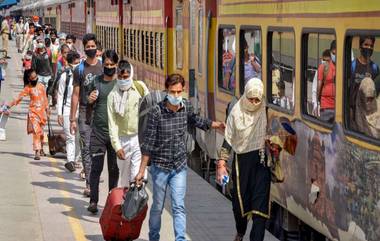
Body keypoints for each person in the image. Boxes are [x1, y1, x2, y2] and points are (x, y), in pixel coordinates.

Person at [135, 73, 225, 241]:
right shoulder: (157, 111)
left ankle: (180, 239)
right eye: (172, 92)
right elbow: (148, 143)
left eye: (179, 92)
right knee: (158, 207)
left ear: (183, 90)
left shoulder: (186, 107)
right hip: (160, 167)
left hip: (179, 167)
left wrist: (216, 124)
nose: (176, 96)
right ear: (166, 90)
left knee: (178, 206)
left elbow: (196, 120)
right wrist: (141, 171)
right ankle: (154, 237)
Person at [217, 78, 270, 241]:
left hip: (261, 163)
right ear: (245, 96)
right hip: (242, 165)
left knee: (260, 212)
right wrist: (222, 162)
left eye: (257, 100)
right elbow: (229, 138)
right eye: (251, 99)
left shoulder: (265, 110)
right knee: (239, 207)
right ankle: (240, 232)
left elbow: (273, 131)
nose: (254, 103)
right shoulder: (236, 113)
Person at [86, 50, 120, 214]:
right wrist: (89, 100)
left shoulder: (121, 84)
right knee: (96, 168)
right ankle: (93, 200)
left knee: (113, 169)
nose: (108, 67)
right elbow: (88, 104)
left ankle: (111, 200)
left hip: (115, 135)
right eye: (106, 65)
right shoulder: (96, 82)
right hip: (98, 132)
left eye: (111, 65)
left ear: (116, 65)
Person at [70, 33, 103, 196]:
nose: (91, 49)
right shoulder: (79, 69)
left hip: (101, 113)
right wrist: (72, 118)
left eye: (93, 46)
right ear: (84, 48)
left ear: (97, 47)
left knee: (98, 151)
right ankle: (90, 184)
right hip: (84, 113)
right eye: (88, 47)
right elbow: (75, 94)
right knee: (86, 150)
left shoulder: (104, 67)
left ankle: (95, 179)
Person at [107, 60, 149, 187]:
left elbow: (149, 109)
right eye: (120, 77)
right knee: (125, 180)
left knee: (136, 177)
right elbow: (112, 124)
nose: (123, 80)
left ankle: (135, 205)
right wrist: (117, 146)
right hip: (122, 139)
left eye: (125, 77)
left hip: (137, 138)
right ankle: (126, 204)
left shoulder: (140, 88)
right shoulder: (112, 95)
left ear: (131, 75)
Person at [8, 69, 49, 160]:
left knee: (41, 133)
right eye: (33, 77)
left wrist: (48, 109)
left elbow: (45, 99)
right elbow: (18, 98)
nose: (35, 78)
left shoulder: (41, 86)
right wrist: (8, 105)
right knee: (36, 132)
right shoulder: (28, 88)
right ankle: (37, 152)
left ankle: (41, 148)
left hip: (42, 113)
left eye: (36, 76)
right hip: (33, 113)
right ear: (29, 79)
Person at [57, 51, 82, 172]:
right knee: (70, 136)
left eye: (79, 63)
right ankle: (70, 161)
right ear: (70, 64)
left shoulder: (83, 75)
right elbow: (60, 95)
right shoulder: (64, 77)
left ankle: (76, 159)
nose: (78, 65)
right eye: (75, 63)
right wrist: (59, 113)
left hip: (80, 110)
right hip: (67, 109)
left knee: (78, 137)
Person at [350, 36, 380, 130]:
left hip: (368, 114)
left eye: (371, 46)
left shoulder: (375, 68)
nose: (369, 48)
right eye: (366, 45)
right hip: (353, 112)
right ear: (360, 46)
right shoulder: (353, 66)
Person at [317, 49, 336, 122]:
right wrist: (319, 100)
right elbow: (318, 86)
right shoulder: (323, 67)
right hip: (326, 106)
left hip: (336, 108)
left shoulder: (340, 67)